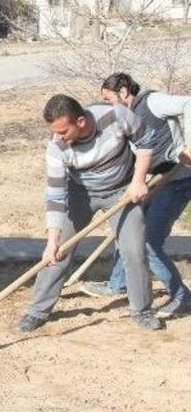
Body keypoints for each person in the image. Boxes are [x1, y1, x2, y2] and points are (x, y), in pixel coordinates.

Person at [17, 94, 161, 332]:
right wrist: (52, 240)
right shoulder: (57, 147)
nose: (58, 137)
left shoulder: (117, 116)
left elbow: (146, 140)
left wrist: (138, 181)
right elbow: (55, 195)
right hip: (80, 193)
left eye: (63, 131)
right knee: (57, 252)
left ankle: (142, 310)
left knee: (134, 250)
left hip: (122, 191)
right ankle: (37, 310)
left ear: (81, 122)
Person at [79, 73, 190, 318]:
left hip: (177, 180)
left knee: (148, 243)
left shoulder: (152, 102)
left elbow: (188, 103)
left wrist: (190, 145)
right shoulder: (125, 120)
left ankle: (182, 297)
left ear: (124, 92)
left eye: (110, 100)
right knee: (128, 230)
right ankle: (118, 284)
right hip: (154, 182)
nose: (108, 106)